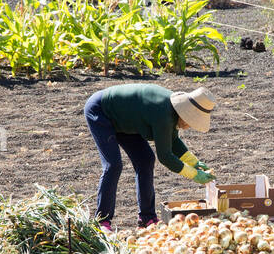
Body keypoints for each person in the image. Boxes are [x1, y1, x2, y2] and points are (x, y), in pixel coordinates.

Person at [84, 83, 217, 230]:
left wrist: (194, 162)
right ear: (185, 113)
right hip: (101, 111)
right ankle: (102, 220)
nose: (190, 126)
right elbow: (165, 156)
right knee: (113, 165)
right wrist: (194, 174)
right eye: (192, 121)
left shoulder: (172, 111)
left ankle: (146, 218)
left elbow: (172, 140)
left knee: (145, 160)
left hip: (125, 119)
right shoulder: (164, 114)